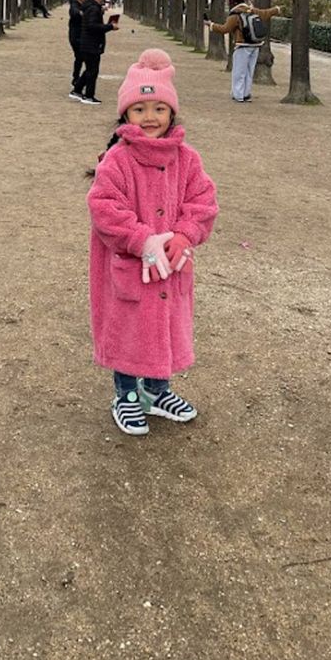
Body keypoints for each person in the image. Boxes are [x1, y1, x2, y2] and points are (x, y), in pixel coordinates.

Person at [87, 48, 218, 436]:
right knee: (129, 331)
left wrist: (184, 234)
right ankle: (126, 395)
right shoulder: (117, 160)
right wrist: (142, 239)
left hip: (171, 269)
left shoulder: (187, 159)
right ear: (125, 114)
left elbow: (203, 201)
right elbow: (104, 207)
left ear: (172, 112)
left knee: (165, 327)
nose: (149, 118)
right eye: (139, 109)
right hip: (130, 266)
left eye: (158, 108)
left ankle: (159, 390)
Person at [206, 0, 283, 102]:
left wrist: (211, 25)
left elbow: (225, 29)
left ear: (232, 2)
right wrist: (277, 9)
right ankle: (246, 93)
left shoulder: (235, 15)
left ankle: (238, 95)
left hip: (242, 45)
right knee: (249, 71)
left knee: (239, 71)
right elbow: (266, 13)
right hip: (255, 45)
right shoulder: (252, 10)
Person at [73, 0, 118, 106]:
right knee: (93, 71)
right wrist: (109, 26)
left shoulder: (91, 6)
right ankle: (88, 95)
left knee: (89, 69)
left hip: (88, 43)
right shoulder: (93, 8)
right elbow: (93, 26)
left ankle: (77, 90)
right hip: (91, 44)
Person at [67, 0, 86, 96]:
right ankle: (76, 79)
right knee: (80, 57)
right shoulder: (74, 4)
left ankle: (76, 78)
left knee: (79, 58)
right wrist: (81, 13)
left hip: (81, 35)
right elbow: (74, 12)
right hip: (75, 36)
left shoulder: (83, 3)